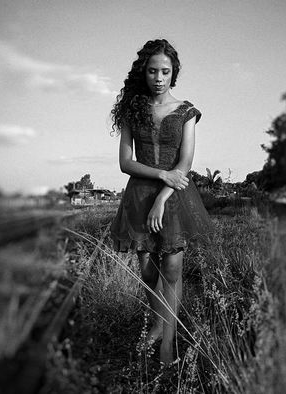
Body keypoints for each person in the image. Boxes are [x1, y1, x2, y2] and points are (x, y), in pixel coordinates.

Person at [109, 39, 213, 365]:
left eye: (165, 71)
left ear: (173, 73)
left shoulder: (186, 111)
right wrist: (161, 175)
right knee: (148, 273)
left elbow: (184, 165)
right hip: (139, 195)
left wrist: (165, 193)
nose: (158, 77)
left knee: (172, 267)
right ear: (145, 72)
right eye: (152, 70)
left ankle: (167, 342)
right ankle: (157, 322)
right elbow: (126, 162)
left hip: (175, 195)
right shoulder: (132, 109)